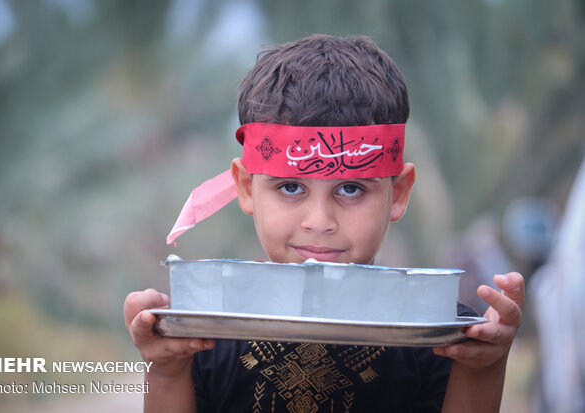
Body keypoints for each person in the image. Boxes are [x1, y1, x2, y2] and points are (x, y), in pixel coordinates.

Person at [124, 34, 525, 412]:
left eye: (350, 189)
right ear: (247, 187)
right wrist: (167, 369)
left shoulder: (435, 330)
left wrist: (482, 365)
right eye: (291, 187)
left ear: (398, 193)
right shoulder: (206, 326)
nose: (319, 222)